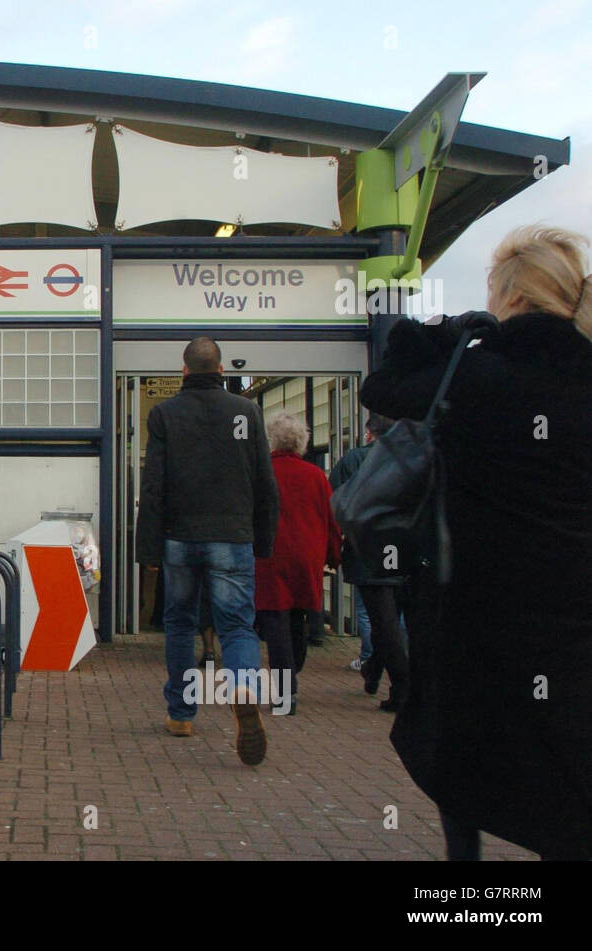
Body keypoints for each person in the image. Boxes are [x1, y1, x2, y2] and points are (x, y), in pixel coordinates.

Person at [361, 225, 592, 861]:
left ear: (510, 296)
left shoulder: (478, 374)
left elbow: (379, 389)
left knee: (461, 749)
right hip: (574, 611)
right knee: (565, 763)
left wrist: (447, 333)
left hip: (478, 604)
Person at [136, 336, 279, 765]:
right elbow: (265, 484)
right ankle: (243, 688)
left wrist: (150, 549)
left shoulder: (164, 414)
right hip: (233, 538)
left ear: (184, 371)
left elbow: (154, 485)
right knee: (237, 627)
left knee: (179, 624)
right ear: (221, 371)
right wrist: (263, 540)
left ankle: (181, 714)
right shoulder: (247, 412)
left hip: (180, 537)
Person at [253, 413, 341, 715]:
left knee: (275, 620)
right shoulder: (316, 475)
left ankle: (285, 691)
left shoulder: (263, 473)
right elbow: (332, 519)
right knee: (299, 615)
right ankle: (295, 665)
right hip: (307, 556)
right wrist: (333, 555)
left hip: (270, 555)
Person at [329, 413, 409, 710]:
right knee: (389, 620)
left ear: (369, 433)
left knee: (383, 621)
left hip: (368, 549)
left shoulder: (353, 461)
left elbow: (337, 502)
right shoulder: (410, 460)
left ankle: (401, 686)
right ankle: (374, 668)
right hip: (405, 548)